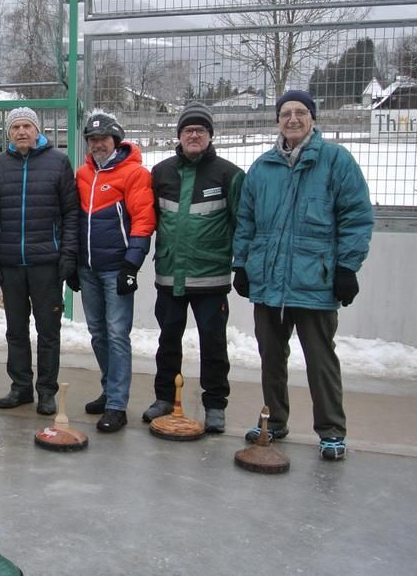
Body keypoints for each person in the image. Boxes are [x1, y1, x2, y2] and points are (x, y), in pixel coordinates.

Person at [232, 90, 373, 461]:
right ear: (277, 121)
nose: (292, 119)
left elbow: (356, 217)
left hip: (315, 281)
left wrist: (347, 267)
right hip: (268, 282)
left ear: (312, 117)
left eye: (300, 112)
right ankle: (274, 420)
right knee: (271, 356)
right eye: (285, 113)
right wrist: (241, 264)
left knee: (320, 359)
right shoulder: (262, 168)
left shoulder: (335, 162)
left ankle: (331, 431)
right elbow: (246, 222)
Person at [143, 103, 244, 434]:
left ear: (211, 135)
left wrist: (242, 266)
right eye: (188, 130)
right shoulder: (161, 173)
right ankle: (163, 398)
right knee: (168, 340)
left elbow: (243, 225)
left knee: (213, 343)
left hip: (211, 277)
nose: (194, 135)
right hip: (170, 276)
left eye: (201, 130)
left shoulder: (229, 175)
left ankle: (215, 404)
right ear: (179, 136)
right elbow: (146, 219)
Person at [0, 107, 78, 415]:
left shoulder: (58, 162)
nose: (21, 131)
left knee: (48, 330)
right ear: (8, 133)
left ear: (38, 131)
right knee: (16, 330)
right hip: (10, 262)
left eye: (27, 126)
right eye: (15, 127)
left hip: (46, 262)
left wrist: (68, 254)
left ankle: (46, 390)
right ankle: (20, 387)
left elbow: (71, 214)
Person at [74, 110, 155, 432]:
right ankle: (109, 391)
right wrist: (74, 262)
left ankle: (118, 405)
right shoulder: (82, 174)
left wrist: (131, 264)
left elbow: (143, 220)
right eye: (92, 140)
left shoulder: (134, 174)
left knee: (117, 335)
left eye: (103, 139)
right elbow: (75, 220)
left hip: (116, 269)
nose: (97, 145)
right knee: (97, 333)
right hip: (88, 268)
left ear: (116, 140)